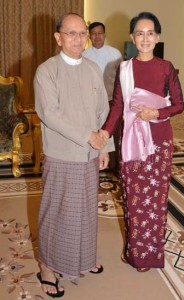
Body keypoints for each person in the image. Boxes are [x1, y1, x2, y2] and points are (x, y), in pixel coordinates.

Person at [34, 13, 114, 298]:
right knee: (56, 212)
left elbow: (102, 111)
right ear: (58, 37)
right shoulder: (47, 71)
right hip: (61, 155)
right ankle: (46, 267)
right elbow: (51, 115)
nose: (79, 39)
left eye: (83, 33)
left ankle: (83, 258)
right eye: (71, 33)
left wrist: (104, 146)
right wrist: (88, 137)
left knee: (85, 210)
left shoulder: (92, 69)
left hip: (90, 154)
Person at [100, 12, 184, 272]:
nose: (145, 38)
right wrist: (105, 133)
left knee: (156, 199)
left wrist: (157, 113)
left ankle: (151, 254)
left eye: (150, 33)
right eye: (140, 33)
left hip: (159, 142)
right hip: (132, 142)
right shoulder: (124, 69)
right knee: (134, 197)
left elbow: (179, 104)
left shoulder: (166, 67)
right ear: (132, 38)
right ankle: (135, 252)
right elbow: (117, 106)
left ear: (157, 37)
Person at [83, 22, 123, 174]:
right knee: (95, 131)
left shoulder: (115, 54)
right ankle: (94, 163)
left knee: (114, 132)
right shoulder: (84, 54)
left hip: (112, 99)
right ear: (89, 36)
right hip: (92, 102)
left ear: (105, 35)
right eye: (94, 33)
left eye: (100, 33)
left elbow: (121, 79)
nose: (97, 36)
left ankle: (116, 167)